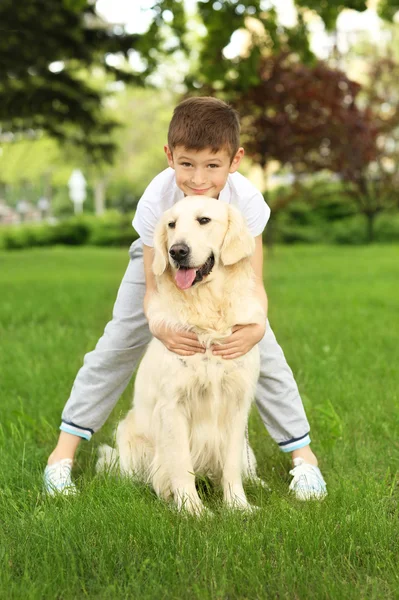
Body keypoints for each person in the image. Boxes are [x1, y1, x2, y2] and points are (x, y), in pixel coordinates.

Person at [44, 97, 327, 501]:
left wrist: (256, 324)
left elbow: (254, 282)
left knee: (263, 346)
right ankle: (61, 458)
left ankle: (305, 460)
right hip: (164, 263)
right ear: (169, 157)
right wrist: (159, 324)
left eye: (212, 165)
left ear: (235, 160)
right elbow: (153, 284)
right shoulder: (155, 200)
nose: (198, 177)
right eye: (187, 163)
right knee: (119, 342)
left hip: (224, 266)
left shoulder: (245, 203)